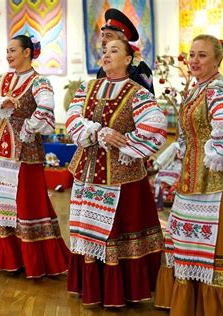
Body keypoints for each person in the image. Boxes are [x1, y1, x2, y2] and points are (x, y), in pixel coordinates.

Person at [65, 39, 167, 307]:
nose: (107, 55)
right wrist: (97, 132)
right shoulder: (88, 88)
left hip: (121, 177)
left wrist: (125, 141)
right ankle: (93, 286)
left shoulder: (139, 93)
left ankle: (122, 290)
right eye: (105, 50)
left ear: (128, 59)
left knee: (119, 230)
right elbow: (72, 120)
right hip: (88, 173)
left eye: (114, 51)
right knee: (89, 230)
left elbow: (155, 129)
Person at [154, 35, 223, 316]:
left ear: (218, 59)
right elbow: (186, 136)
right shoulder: (196, 89)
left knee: (214, 251)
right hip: (191, 183)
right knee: (184, 244)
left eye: (202, 55)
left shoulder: (219, 88)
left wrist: (215, 155)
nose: (194, 61)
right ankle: (190, 305)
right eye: (192, 55)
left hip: (219, 186)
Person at [0, 34, 70, 278]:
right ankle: (6, 256)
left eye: (13, 50)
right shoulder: (2, 78)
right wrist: (0, 100)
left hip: (24, 150)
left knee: (26, 200)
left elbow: (46, 109)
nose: (8, 55)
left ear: (27, 52)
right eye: (7, 50)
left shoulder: (39, 82)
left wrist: (28, 127)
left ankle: (32, 258)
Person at [97, 8, 154, 94]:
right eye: (103, 35)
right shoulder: (102, 70)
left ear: (123, 40)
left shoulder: (141, 69)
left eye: (109, 35)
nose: (103, 39)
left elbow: (149, 103)